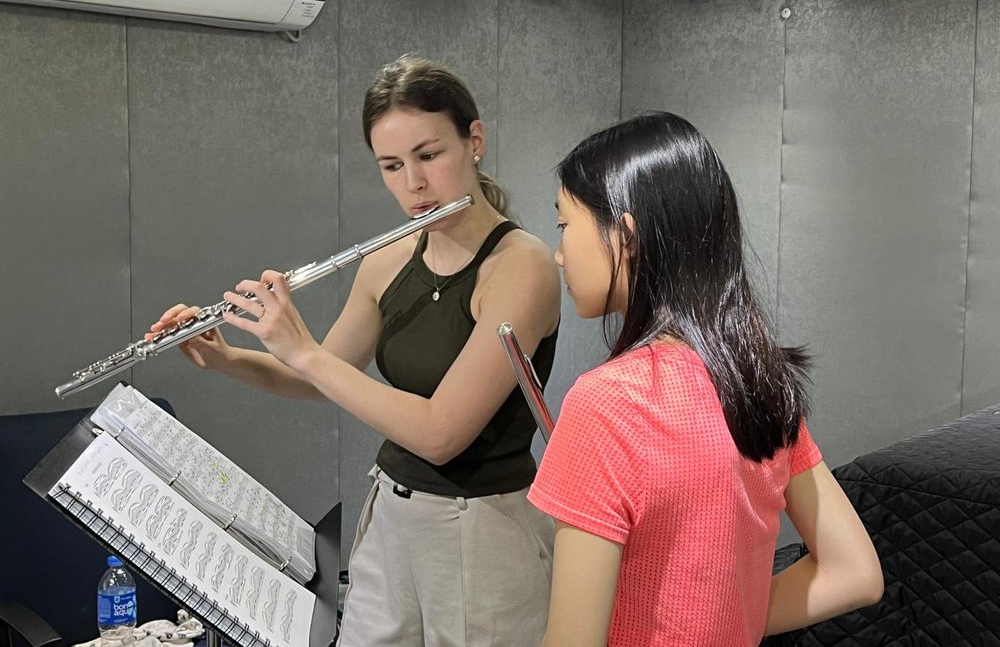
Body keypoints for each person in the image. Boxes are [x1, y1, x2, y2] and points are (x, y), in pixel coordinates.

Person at [148, 55, 561, 646]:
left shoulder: (522, 268)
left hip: (484, 528)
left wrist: (307, 352)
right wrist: (225, 357)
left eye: (429, 155)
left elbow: (442, 432)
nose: (413, 185)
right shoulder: (387, 261)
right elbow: (316, 378)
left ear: (475, 141)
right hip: (392, 516)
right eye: (391, 166)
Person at [527, 111, 883, 646]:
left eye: (563, 225)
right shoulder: (757, 381)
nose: (557, 254)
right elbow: (853, 572)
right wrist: (723, 622)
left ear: (626, 236)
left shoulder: (606, 403)